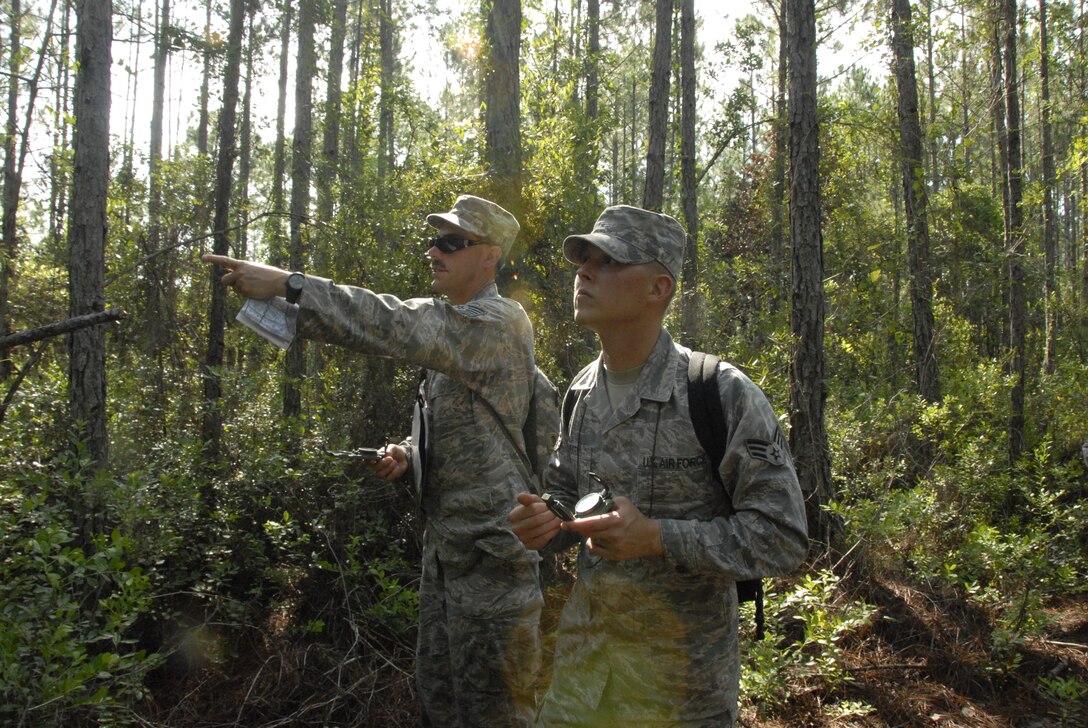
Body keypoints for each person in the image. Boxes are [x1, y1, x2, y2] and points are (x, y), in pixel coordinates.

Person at [204, 195, 544, 727]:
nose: (434, 251)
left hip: (494, 560)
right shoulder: (458, 328)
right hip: (447, 552)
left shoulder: (497, 323)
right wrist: (409, 455)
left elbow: (393, 325)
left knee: (497, 711)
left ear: (489, 257)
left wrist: (291, 284)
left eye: (452, 243)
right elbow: (478, 428)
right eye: (434, 240)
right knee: (441, 706)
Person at [508, 205, 808, 726]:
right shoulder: (579, 391)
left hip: (682, 694)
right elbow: (564, 498)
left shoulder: (719, 393)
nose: (585, 271)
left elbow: (782, 536)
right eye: (584, 259)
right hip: (583, 683)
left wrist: (658, 537)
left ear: (658, 288)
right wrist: (546, 523)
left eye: (609, 261)